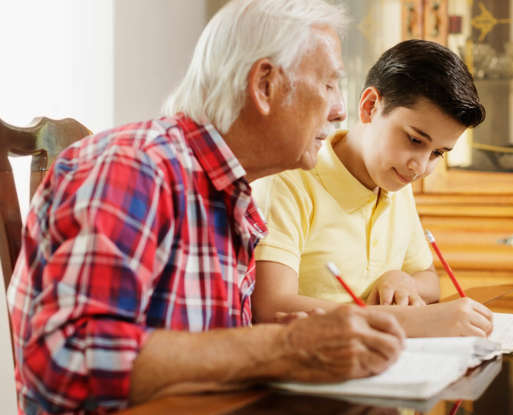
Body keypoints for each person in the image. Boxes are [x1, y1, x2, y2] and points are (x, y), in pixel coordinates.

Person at [6, 1, 406, 413]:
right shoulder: (135, 167)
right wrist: (282, 346)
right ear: (265, 85)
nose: (340, 110)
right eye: (328, 85)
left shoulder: (228, 194)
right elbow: (65, 361)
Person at [251, 39, 494, 338]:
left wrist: (402, 279)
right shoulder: (289, 178)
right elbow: (271, 306)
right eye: (415, 140)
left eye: (437, 153)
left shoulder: (394, 182)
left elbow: (428, 280)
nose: (420, 167)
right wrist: (415, 322)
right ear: (369, 107)